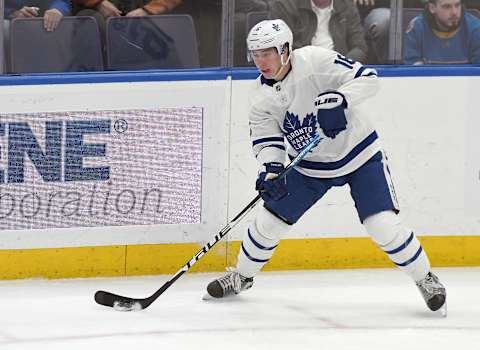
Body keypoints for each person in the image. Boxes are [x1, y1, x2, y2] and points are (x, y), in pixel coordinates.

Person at [204, 19, 447, 315]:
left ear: (285, 49)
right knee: (268, 223)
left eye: (267, 52)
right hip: (309, 166)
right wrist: (271, 168)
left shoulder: (315, 60)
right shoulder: (259, 97)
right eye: (255, 54)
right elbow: (267, 137)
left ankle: (426, 278)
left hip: (359, 155)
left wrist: (340, 99)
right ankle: (242, 277)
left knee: (382, 225)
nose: (261, 61)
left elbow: (368, 78)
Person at [269, 0, 368, 63]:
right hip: (300, 73)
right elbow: (280, 48)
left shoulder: (347, 6)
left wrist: (342, 64)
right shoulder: (285, 5)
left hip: (339, 72)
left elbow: (359, 47)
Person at [403, 0, 480, 64]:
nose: (454, 12)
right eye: (447, 7)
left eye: (457, 5)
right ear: (432, 8)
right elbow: (412, 70)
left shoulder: (475, 29)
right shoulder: (417, 28)